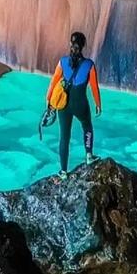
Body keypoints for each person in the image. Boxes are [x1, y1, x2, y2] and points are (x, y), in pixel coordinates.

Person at [46, 31, 101, 180]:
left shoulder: (63, 62)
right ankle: (89, 155)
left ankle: (63, 172)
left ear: (70, 44)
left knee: (64, 137)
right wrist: (98, 104)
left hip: (63, 104)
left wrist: (49, 100)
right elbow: (94, 87)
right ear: (83, 46)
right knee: (87, 126)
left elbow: (54, 82)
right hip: (80, 103)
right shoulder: (89, 64)